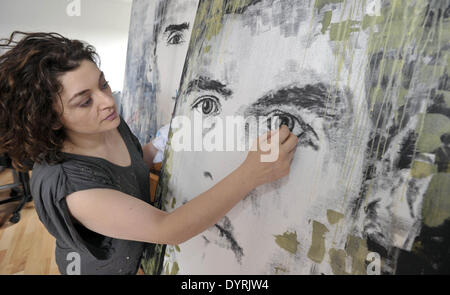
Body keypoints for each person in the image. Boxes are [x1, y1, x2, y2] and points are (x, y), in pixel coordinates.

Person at [0, 31, 298, 274]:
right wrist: (251, 174)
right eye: (84, 101)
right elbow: (168, 229)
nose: (107, 101)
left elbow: (128, 168)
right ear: (50, 118)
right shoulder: (74, 188)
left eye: (103, 84)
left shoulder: (104, 123)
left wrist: (157, 146)